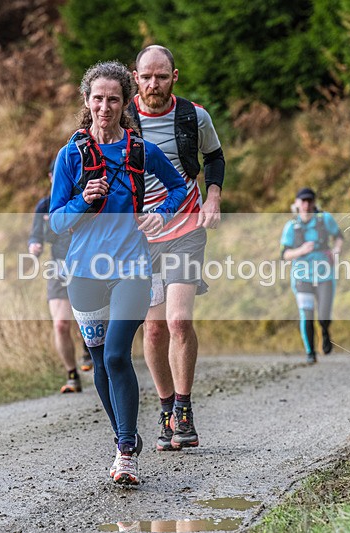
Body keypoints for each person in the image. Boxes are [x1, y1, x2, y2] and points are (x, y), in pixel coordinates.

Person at [50, 61, 185, 485]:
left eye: (113, 99)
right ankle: (123, 434)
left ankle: (125, 452)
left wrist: (160, 214)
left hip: (131, 267)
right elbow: (55, 221)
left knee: (115, 354)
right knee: (100, 362)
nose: (104, 107)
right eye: (97, 99)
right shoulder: (70, 155)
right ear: (86, 103)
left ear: (127, 102)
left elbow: (179, 187)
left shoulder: (139, 150)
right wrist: (82, 202)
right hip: (84, 273)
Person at [129, 45, 226, 452]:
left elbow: (214, 156)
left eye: (162, 76)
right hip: (138, 238)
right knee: (152, 330)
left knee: (179, 321)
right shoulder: (122, 117)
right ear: (135, 78)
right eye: (147, 76)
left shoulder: (193, 115)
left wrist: (213, 197)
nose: (154, 84)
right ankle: (166, 408)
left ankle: (184, 410)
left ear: (175, 76)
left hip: (186, 227)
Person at [28, 160, 93, 394]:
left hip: (87, 266)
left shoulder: (83, 199)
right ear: (50, 177)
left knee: (87, 321)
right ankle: (71, 374)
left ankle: (90, 349)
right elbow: (35, 236)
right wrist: (33, 247)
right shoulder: (44, 206)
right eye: (58, 175)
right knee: (61, 324)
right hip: (57, 268)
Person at [280, 188, 344, 364]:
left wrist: (336, 250)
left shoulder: (325, 219)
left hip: (325, 275)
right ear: (297, 203)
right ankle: (310, 353)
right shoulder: (291, 226)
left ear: (314, 202)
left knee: (324, 313)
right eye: (303, 201)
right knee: (306, 313)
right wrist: (301, 250)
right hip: (302, 277)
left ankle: (324, 331)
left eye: (310, 201)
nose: (307, 205)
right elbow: (284, 254)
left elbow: (339, 237)